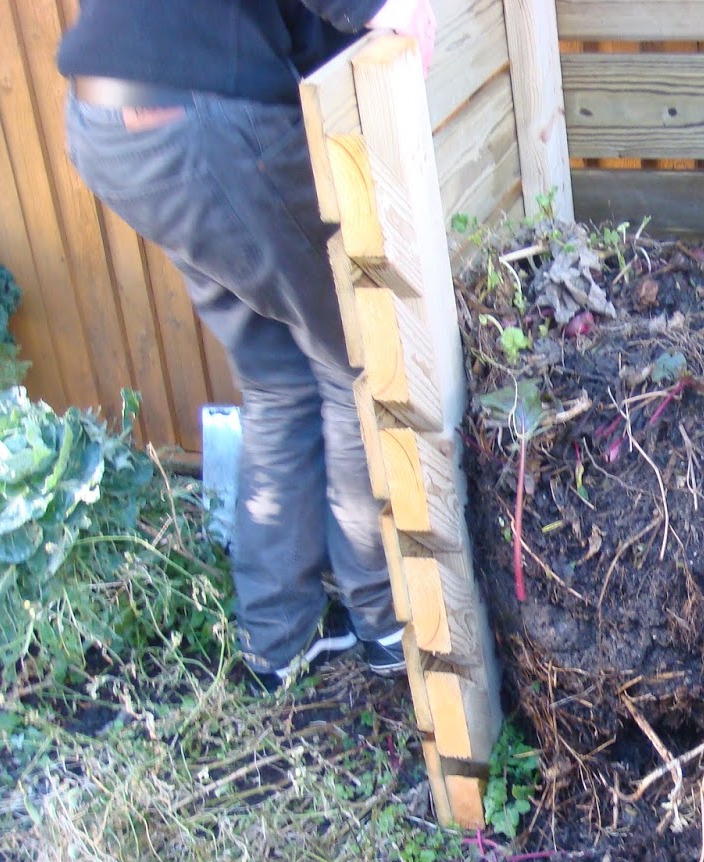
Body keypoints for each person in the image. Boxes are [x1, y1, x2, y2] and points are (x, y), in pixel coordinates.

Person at [57, 0, 436, 690]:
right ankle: (384, 618)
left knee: (277, 377)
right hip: (203, 121)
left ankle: (279, 636)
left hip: (108, 120)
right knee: (353, 359)